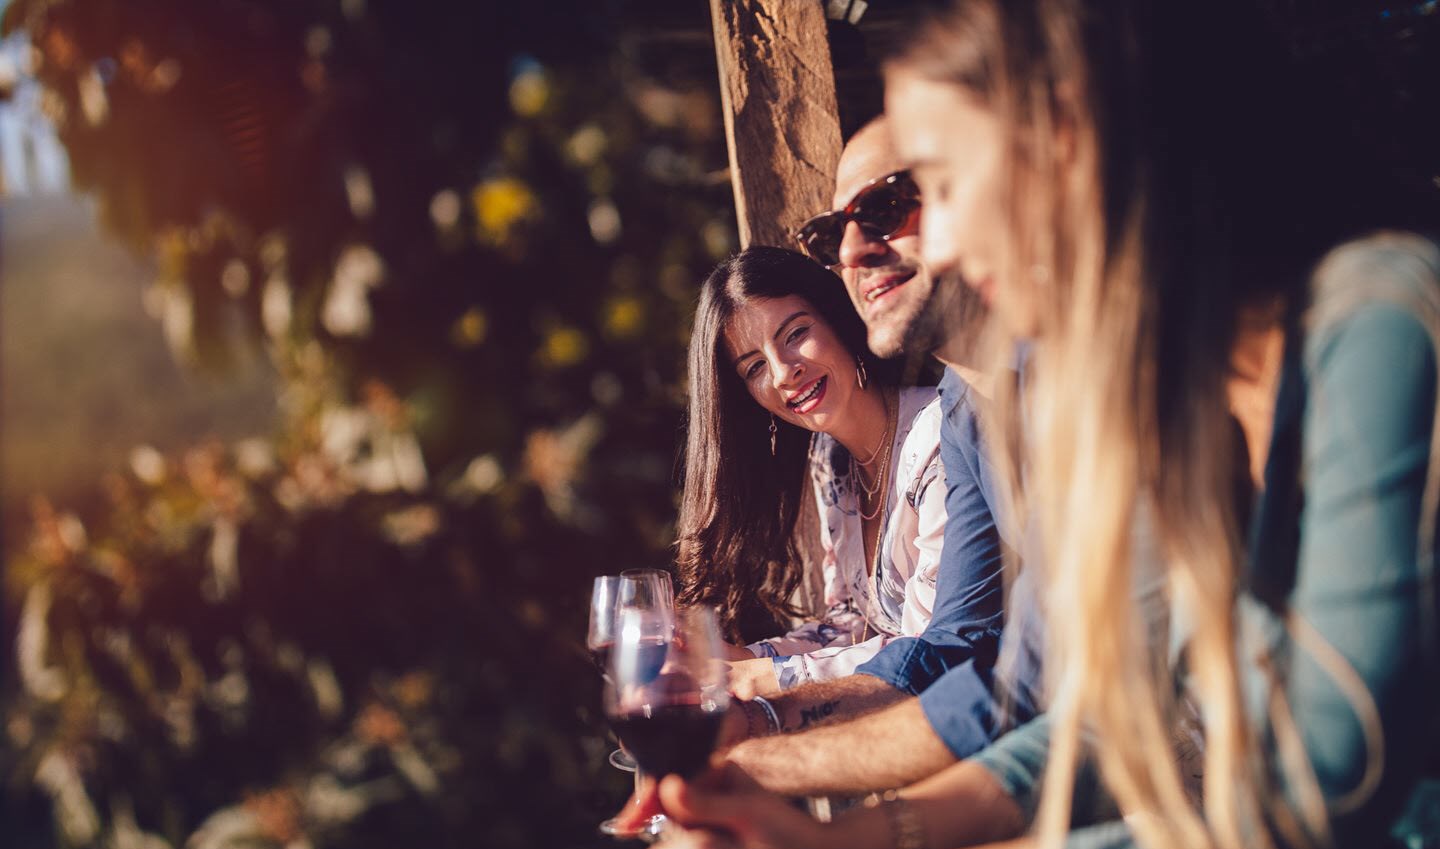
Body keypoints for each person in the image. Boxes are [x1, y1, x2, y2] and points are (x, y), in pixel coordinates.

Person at [650, 1, 1440, 848]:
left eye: (939, 187)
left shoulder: (1379, 324)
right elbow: (1092, 715)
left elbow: (1322, 781)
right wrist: (793, 806)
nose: (937, 241)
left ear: (1062, 145)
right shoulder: (1134, 405)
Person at [676, 245, 952, 688]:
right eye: (755, 367)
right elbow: (851, 624)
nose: (784, 373)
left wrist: (762, 675)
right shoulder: (832, 458)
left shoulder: (940, 437)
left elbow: (929, 643)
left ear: (837, 320)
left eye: (794, 334)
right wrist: (743, 658)